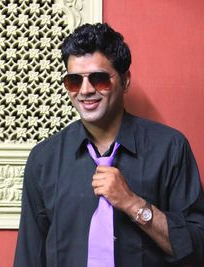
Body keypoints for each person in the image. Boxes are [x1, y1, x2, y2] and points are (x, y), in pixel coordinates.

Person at [13, 23, 204, 267]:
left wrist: (132, 203)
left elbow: (197, 248)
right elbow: (29, 255)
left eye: (99, 79)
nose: (85, 91)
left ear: (125, 81)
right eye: (74, 81)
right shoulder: (44, 159)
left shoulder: (170, 149)